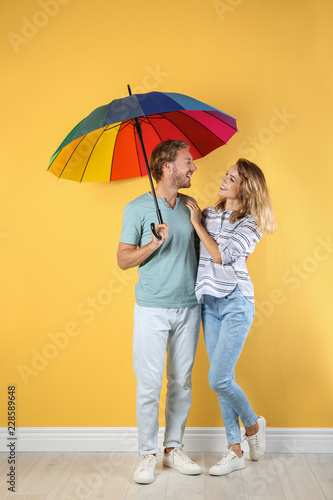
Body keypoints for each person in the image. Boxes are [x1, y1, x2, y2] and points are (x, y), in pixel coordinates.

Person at [117, 139, 202, 484]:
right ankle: (146, 454)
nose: (192, 167)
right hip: (151, 308)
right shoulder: (137, 209)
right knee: (150, 384)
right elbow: (123, 260)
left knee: (181, 381)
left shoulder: (191, 206)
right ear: (167, 167)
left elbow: (205, 252)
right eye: (187, 161)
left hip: (189, 306)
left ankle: (173, 447)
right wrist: (153, 244)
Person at [186, 158, 276, 476]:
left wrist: (196, 224)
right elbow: (193, 250)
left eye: (232, 177)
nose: (224, 180)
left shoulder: (251, 222)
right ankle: (234, 449)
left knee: (218, 379)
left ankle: (252, 427)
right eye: (226, 175)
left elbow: (221, 255)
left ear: (245, 187)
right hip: (208, 304)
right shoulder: (209, 214)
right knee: (223, 381)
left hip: (236, 304)